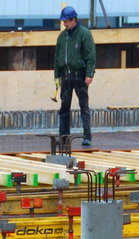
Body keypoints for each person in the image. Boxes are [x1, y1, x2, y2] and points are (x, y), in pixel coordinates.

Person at [54, 5, 96, 146]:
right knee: (64, 107)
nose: (64, 24)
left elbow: (90, 56)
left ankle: (87, 136)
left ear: (73, 19)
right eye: (63, 21)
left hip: (80, 74)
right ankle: (64, 136)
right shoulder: (62, 37)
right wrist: (57, 76)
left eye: (66, 21)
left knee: (83, 106)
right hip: (66, 75)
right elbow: (57, 58)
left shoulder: (84, 34)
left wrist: (89, 74)